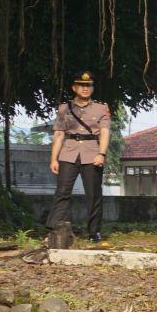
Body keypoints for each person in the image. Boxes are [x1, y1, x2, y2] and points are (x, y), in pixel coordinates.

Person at [47, 72, 111, 242]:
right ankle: (55, 229)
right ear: (74, 88)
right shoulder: (64, 108)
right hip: (68, 153)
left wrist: (101, 153)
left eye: (88, 85)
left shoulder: (101, 108)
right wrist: (54, 159)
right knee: (62, 192)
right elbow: (59, 135)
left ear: (92, 88)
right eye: (81, 85)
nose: (85, 88)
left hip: (92, 154)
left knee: (94, 194)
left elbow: (105, 132)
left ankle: (94, 232)